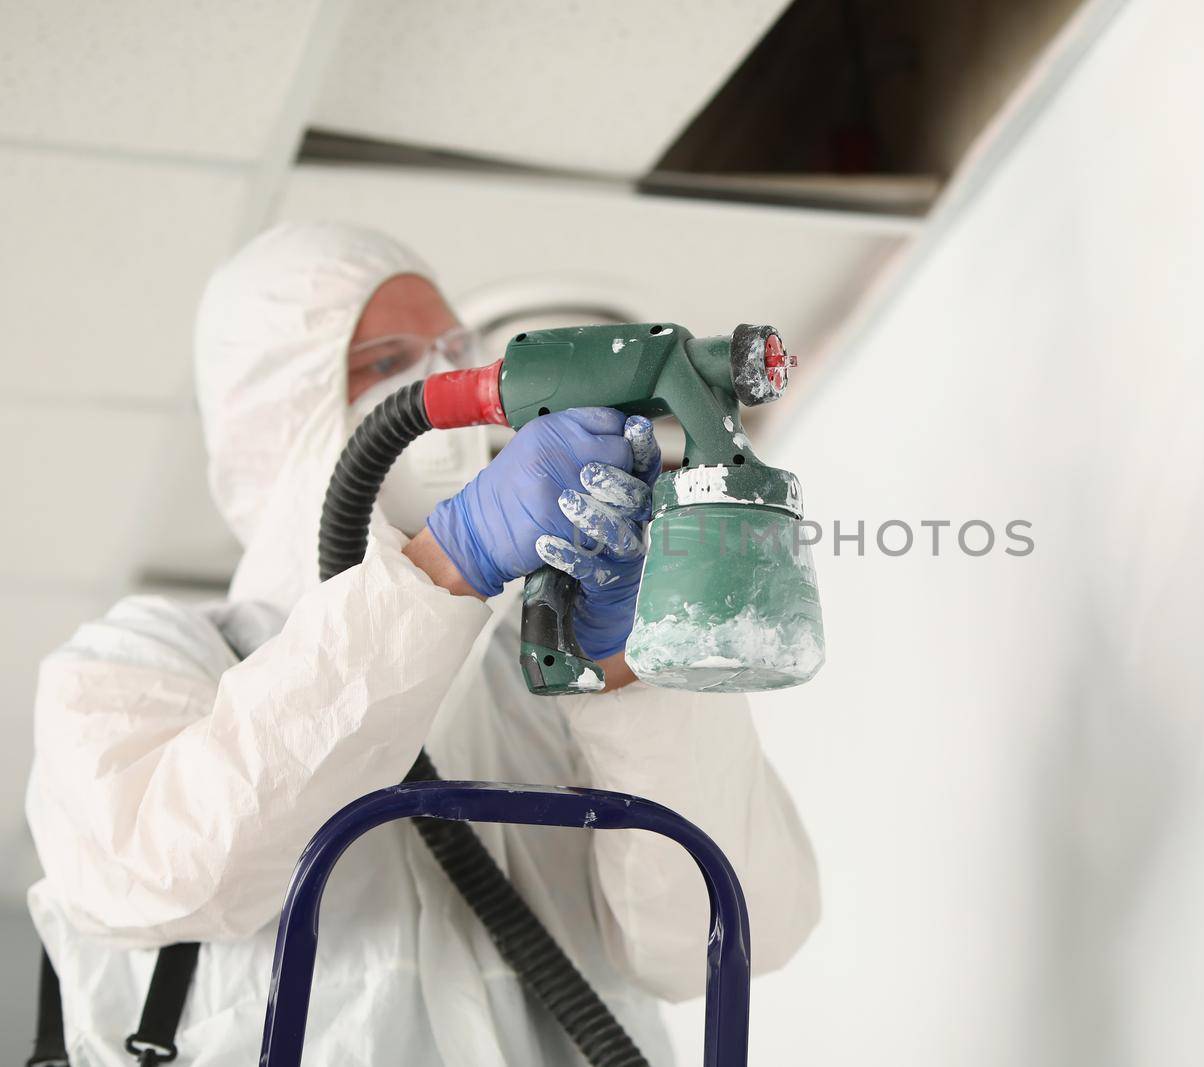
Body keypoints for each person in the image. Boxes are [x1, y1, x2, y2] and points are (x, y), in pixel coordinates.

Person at [25, 223, 821, 1066]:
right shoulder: (145, 659)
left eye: (452, 351)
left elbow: (739, 930)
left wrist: (634, 675)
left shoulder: (537, 665)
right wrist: (451, 560)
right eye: (385, 361)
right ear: (279, 418)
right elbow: (166, 866)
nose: (433, 380)